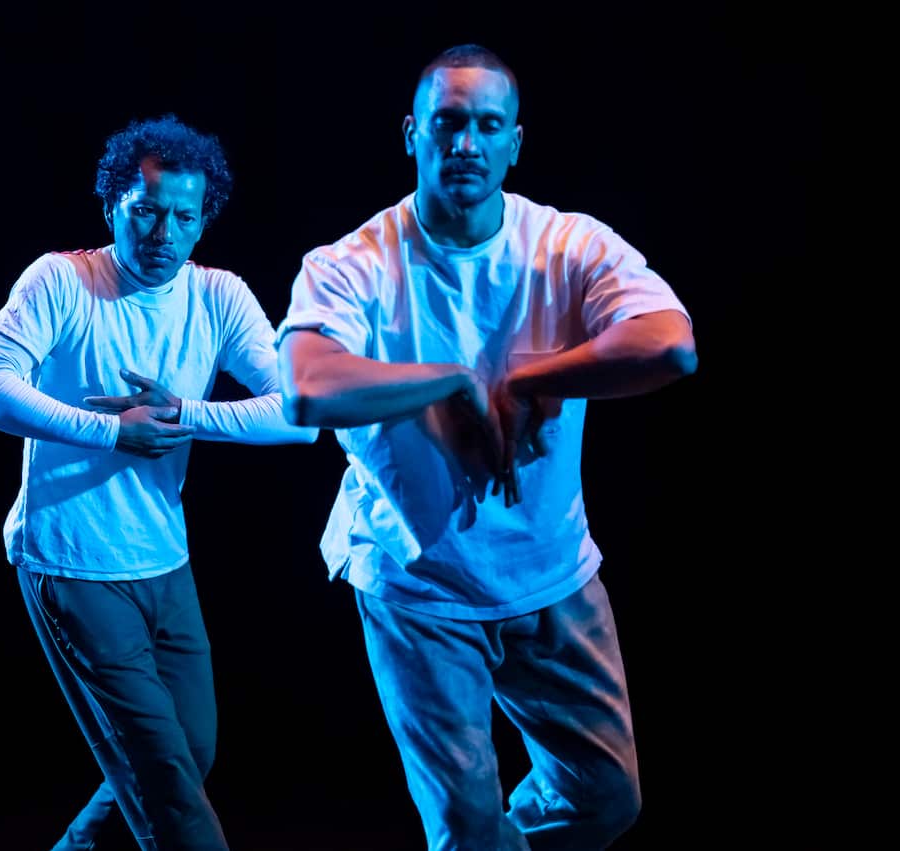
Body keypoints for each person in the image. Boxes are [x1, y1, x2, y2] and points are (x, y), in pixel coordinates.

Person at [276, 44, 697, 850]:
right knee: (465, 828)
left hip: (549, 572)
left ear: (515, 142)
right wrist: (447, 381)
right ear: (413, 134)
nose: (466, 142)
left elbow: (669, 343)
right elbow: (306, 386)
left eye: (487, 126)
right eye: (449, 123)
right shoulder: (356, 262)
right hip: (419, 585)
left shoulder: (565, 245)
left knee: (607, 798)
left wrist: (536, 377)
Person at [0, 113, 318, 851]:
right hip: (71, 561)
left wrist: (185, 414)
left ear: (203, 220)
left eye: (184, 217)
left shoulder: (217, 295)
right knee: (168, 789)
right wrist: (114, 431)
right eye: (145, 211)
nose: (163, 233)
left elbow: (302, 414)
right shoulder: (64, 280)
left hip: (163, 558)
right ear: (112, 204)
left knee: (190, 751)